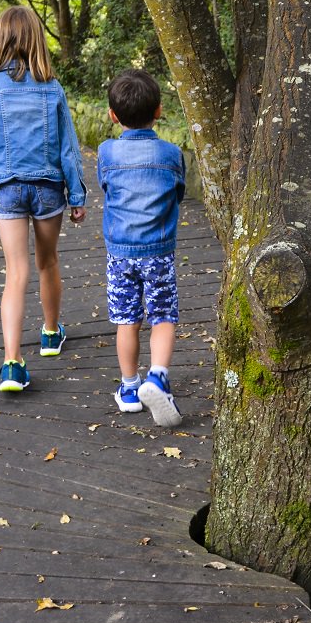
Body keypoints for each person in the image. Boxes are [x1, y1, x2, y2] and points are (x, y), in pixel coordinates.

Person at [0, 6, 85, 393]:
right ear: (36, 39)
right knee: (47, 262)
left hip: (6, 189)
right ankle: (51, 334)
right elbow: (69, 149)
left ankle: (13, 364)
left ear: (0, 40)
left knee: (15, 273)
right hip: (49, 186)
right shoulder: (52, 87)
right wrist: (78, 194)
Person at [97, 68, 185, 426]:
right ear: (159, 111)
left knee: (126, 320)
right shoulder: (171, 153)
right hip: (159, 251)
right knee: (163, 315)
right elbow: (178, 193)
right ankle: (158, 376)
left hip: (120, 253)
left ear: (112, 116)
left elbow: (106, 188)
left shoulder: (107, 152)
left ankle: (130, 387)